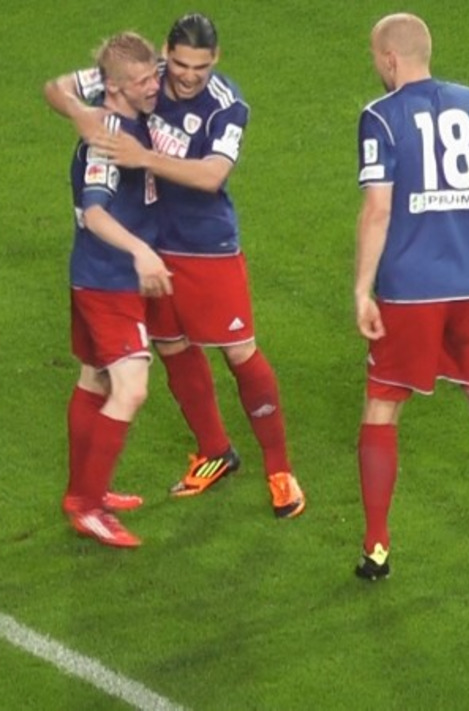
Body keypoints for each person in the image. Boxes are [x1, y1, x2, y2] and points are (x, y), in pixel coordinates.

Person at [44, 13, 305, 519]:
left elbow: (212, 175)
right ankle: (215, 452)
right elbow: (57, 88)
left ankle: (280, 470)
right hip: (150, 244)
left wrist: (143, 158)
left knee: (238, 349)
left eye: (200, 68)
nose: (187, 77)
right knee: (170, 344)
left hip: (206, 244)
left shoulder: (226, 106)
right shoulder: (146, 74)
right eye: (181, 65)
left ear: (216, 60)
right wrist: (81, 115)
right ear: (167, 53)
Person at [351, 13, 469, 579]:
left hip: (410, 291)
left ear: (390, 58)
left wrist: (362, 289)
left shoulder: (380, 117)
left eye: (375, 57)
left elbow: (378, 208)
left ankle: (377, 546)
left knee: (382, 406)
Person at [60, 31, 171, 548]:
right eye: (143, 81)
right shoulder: (105, 140)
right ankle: (89, 506)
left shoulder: (127, 106)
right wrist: (140, 251)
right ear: (115, 88)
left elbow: (58, 88)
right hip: (109, 280)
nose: (154, 87)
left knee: (94, 380)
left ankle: (81, 493)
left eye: (153, 76)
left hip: (95, 275)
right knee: (131, 389)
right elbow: (95, 213)